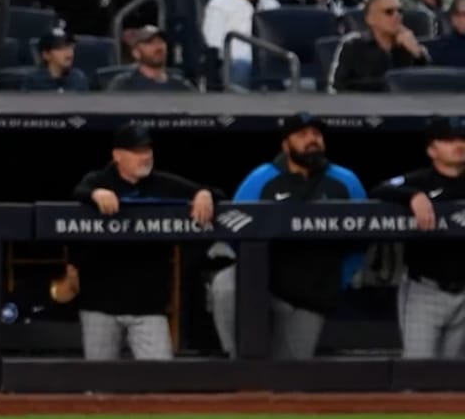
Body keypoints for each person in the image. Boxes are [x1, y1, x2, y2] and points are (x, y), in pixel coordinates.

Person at [208, 114, 366, 359]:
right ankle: (235, 359)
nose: (311, 140)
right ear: (285, 144)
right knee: (226, 284)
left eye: (316, 134)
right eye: (302, 135)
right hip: (266, 286)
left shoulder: (345, 181)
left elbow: (363, 238)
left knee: (291, 374)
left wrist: (338, 279)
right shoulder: (261, 179)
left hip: (311, 294)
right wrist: (256, 272)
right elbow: (232, 230)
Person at [70, 125, 218, 361]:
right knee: (98, 386)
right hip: (99, 305)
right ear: (117, 155)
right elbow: (79, 192)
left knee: (160, 382)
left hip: (149, 306)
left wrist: (204, 194)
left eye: (147, 150)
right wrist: (95, 194)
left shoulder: (161, 183)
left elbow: (212, 192)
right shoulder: (97, 180)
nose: (145, 156)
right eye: (137, 151)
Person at [372, 116, 465, 359]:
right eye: (448, 140)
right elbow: (380, 188)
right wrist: (413, 196)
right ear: (431, 150)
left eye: (462, 139)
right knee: (418, 371)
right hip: (425, 290)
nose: (459, 145)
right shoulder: (420, 180)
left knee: (455, 380)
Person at [201, 0, 281, 88]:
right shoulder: (221, 3)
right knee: (242, 66)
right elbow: (213, 41)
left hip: (267, 62)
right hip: (232, 61)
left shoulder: (272, 5)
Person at [328, 0, 430, 92]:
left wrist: (417, 53)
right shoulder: (353, 47)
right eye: (389, 12)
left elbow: (429, 85)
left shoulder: (409, 45)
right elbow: (339, 87)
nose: (397, 16)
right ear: (370, 19)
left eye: (399, 11)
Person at [107, 26, 198, 92]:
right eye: (150, 42)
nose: (157, 46)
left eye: (160, 42)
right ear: (136, 53)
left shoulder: (180, 85)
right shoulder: (124, 84)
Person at [23, 27, 90, 91]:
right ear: (46, 55)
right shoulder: (33, 81)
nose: (68, 52)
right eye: (61, 48)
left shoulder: (78, 78)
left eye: (70, 47)